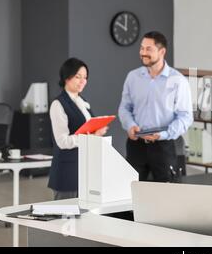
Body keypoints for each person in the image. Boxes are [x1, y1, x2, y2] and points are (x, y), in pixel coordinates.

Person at [118, 31, 193, 182]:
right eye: (142, 48)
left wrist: (163, 134)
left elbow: (185, 117)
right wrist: (130, 125)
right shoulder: (133, 77)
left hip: (163, 147)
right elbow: (124, 108)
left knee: (166, 195)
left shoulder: (177, 80)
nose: (143, 53)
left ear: (162, 51)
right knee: (130, 193)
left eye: (148, 49)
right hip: (135, 146)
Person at [48, 58, 108, 200]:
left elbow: (87, 128)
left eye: (85, 77)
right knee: (64, 217)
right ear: (67, 78)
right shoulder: (58, 104)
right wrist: (92, 136)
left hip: (86, 169)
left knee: (83, 218)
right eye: (78, 77)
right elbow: (62, 141)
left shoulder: (83, 102)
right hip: (68, 171)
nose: (83, 81)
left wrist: (98, 130)